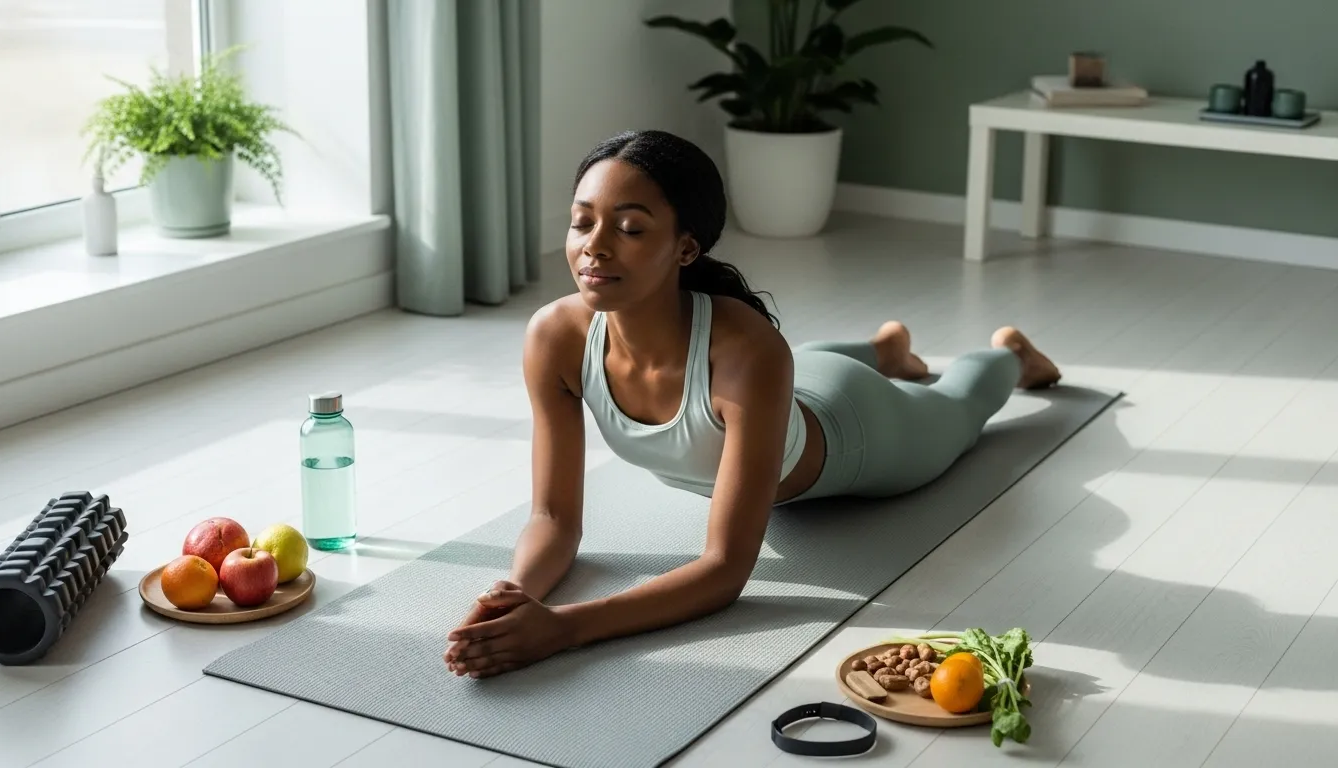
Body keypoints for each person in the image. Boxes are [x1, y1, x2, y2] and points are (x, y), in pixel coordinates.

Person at [443, 129, 1060, 679]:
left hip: (858, 431)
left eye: (630, 229)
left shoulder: (748, 350)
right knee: (795, 361)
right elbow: (554, 519)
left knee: (960, 403)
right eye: (582, 222)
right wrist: (517, 592)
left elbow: (723, 569)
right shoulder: (555, 336)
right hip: (786, 384)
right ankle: (885, 347)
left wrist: (565, 627)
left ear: (686, 249)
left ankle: (1011, 353)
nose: (594, 247)